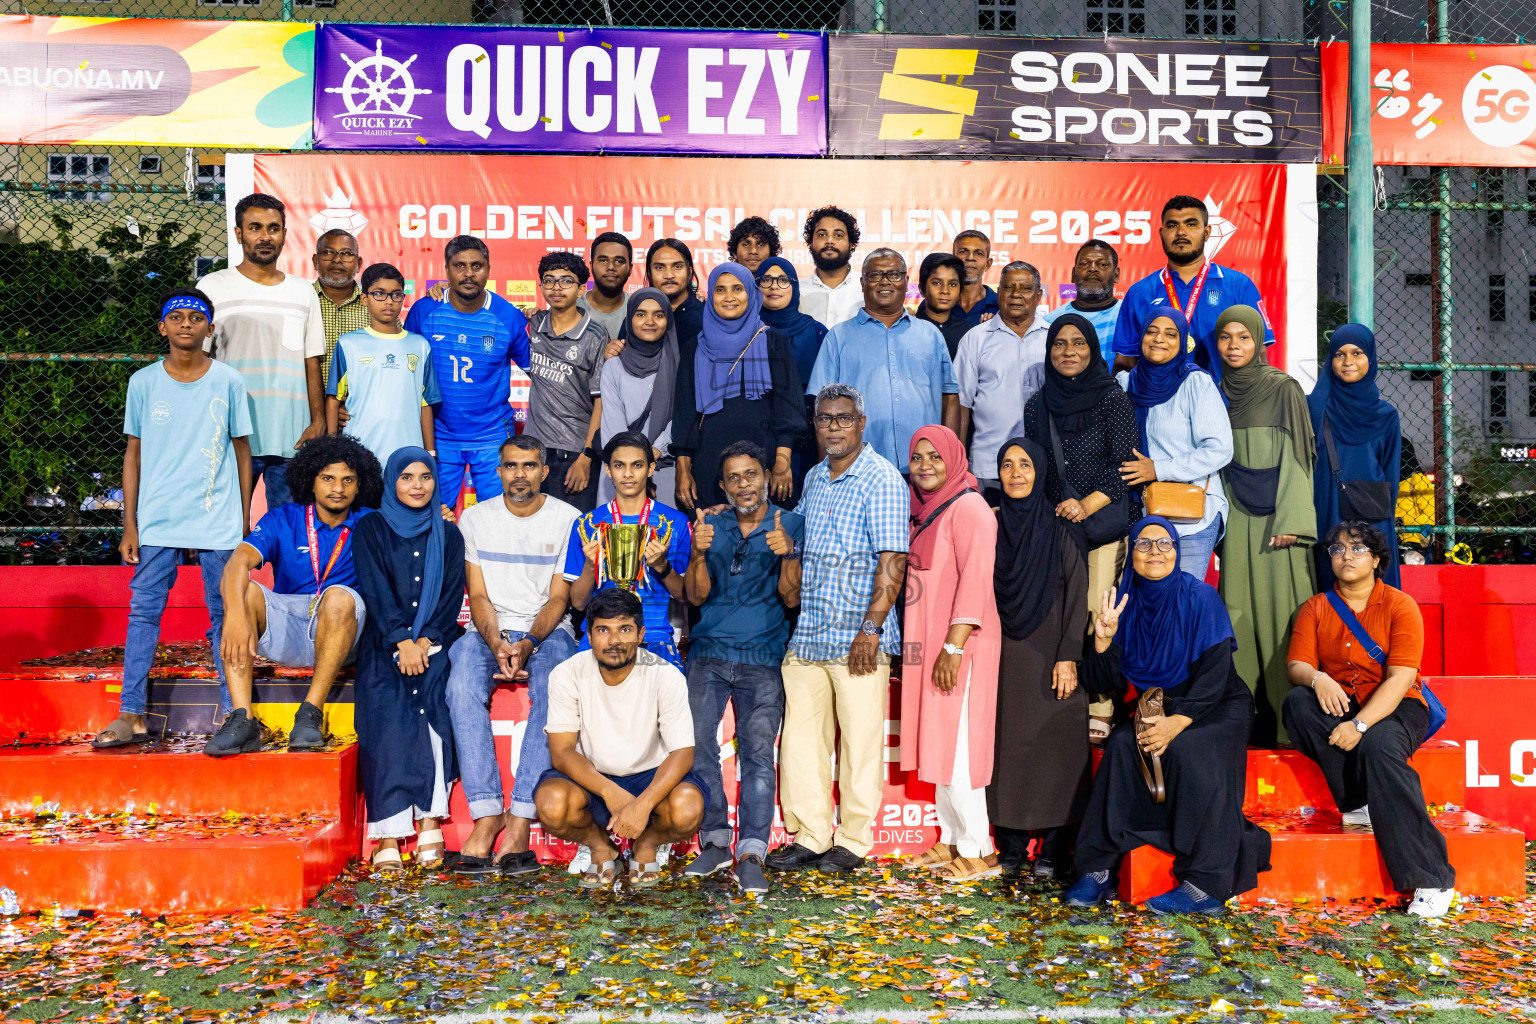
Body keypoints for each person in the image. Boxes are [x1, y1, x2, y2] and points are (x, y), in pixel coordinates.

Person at [1064, 516, 1271, 914]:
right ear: (1132, 554)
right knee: (1122, 746)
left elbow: (1216, 672)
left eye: (1164, 544)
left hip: (1217, 703)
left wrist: (1179, 722)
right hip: (1160, 706)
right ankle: (1099, 868)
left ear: (1177, 552)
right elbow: (1099, 681)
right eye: (1144, 544)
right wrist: (1103, 641)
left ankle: (1206, 884)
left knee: (1192, 750)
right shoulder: (1123, 603)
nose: (1154, 552)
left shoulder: (1200, 597)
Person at [93, 289, 254, 748]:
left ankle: (235, 713)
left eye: (196, 318)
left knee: (226, 613)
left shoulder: (228, 380)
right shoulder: (143, 382)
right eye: (177, 317)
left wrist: (243, 517)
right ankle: (131, 714)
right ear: (162, 327)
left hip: (217, 517)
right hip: (158, 518)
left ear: (209, 328)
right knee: (144, 612)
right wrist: (130, 524)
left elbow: (242, 450)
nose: (187, 324)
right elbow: (133, 454)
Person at [767, 384, 907, 875]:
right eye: (825, 418)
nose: (833, 427)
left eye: (843, 418)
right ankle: (811, 835)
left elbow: (893, 560)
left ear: (861, 423)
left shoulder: (882, 479)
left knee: (859, 743)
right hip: (809, 632)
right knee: (801, 742)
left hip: (857, 637)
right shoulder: (814, 476)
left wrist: (871, 630)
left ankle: (853, 840)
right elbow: (799, 543)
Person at [1284, 521, 1457, 919]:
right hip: (1342, 700)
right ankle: (1358, 801)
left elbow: (1401, 677)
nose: (1347, 556)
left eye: (1358, 549)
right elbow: (1296, 665)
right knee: (1298, 703)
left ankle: (1434, 877)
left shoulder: (1400, 604)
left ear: (1377, 560)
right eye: (1338, 550)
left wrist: (1359, 725)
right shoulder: (1316, 607)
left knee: (1379, 746)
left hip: (1397, 705)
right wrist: (1318, 678)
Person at [445, 435, 582, 876]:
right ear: (499, 471)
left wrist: (528, 643)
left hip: (549, 629)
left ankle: (521, 817)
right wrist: (496, 642)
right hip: (488, 629)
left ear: (544, 471)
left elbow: (560, 599)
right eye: (511, 466)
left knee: (555, 689)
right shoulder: (475, 519)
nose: (520, 474)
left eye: (529, 466)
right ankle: (487, 813)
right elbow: (478, 596)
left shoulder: (568, 519)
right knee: (460, 683)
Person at [205, 435, 379, 757]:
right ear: (310, 481)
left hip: (342, 631)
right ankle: (242, 719)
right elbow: (236, 564)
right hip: (290, 628)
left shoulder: (371, 522)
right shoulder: (284, 518)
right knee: (244, 592)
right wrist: (234, 616)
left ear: (359, 486)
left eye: (348, 480)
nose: (338, 488)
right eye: (327, 478)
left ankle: (310, 713)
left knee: (339, 597)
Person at [682, 441, 804, 894]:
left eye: (751, 474)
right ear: (722, 485)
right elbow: (695, 596)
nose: (743, 485)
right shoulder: (710, 525)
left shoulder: (792, 523)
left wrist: (788, 553)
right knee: (698, 746)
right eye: (733, 478)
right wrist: (698, 553)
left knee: (757, 753)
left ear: (767, 477)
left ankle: (752, 852)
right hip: (708, 653)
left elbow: (792, 598)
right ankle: (715, 842)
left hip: (764, 657)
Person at [534, 587, 706, 889]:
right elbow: (561, 752)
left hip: (651, 776)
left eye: (625, 629)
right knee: (551, 803)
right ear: (589, 635)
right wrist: (610, 792)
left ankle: (647, 844)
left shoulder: (666, 675)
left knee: (687, 808)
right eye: (603, 630)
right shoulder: (566, 674)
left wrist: (643, 804)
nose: (614, 641)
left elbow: (683, 753)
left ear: (640, 634)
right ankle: (601, 847)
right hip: (593, 777)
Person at [351, 448, 466, 873]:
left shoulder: (449, 534)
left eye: (425, 477)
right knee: (387, 716)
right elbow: (375, 589)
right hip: (384, 643)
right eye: (407, 477)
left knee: (434, 711)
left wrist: (427, 639)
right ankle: (388, 832)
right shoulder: (371, 528)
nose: (418, 485)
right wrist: (402, 640)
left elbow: (451, 596)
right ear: (391, 482)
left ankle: (431, 817)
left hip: (436, 641)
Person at [1025, 314, 1136, 745]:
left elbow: (1125, 464)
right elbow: (1037, 465)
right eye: (1059, 343)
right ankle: (1066, 701)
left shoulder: (1111, 398)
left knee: (1095, 613)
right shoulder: (1037, 405)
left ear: (1092, 349)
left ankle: (1101, 705)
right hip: (1057, 526)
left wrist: (1085, 505)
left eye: (1078, 343)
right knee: (1060, 612)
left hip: (1103, 526)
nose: (1068, 351)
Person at [900, 426, 1002, 883]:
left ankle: (980, 848)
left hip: (961, 645)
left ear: (954, 459)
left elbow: (976, 580)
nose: (925, 465)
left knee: (960, 747)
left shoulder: (970, 508)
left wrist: (953, 647)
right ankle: (952, 837)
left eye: (935, 456)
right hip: (932, 645)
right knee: (940, 743)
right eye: (917, 457)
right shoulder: (923, 511)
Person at [986, 438, 1091, 878]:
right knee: (1005, 745)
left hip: (1051, 652)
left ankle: (1053, 847)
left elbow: (1078, 594)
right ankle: (1010, 844)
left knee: (1057, 745)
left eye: (1025, 465)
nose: (1016, 474)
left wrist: (1068, 656)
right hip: (1003, 654)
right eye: (1007, 465)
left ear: (1041, 470)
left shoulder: (1061, 527)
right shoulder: (991, 525)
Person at [1216, 304, 1318, 746]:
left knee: (1283, 620)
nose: (1234, 345)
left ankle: (1289, 730)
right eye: (1225, 337)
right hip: (1238, 517)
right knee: (1238, 618)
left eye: (1244, 337)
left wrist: (1292, 518)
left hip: (1280, 523)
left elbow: (1300, 458)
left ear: (1259, 341)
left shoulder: (1283, 388)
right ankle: (1244, 725)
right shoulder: (1216, 390)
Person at [198, 193, 325, 508]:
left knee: (289, 529)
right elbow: (200, 362)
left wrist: (318, 419)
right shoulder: (211, 287)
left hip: (293, 437)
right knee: (227, 526)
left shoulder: (303, 292)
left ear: (284, 234)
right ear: (239, 233)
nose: (265, 236)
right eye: (255, 227)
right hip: (231, 434)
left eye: (273, 228)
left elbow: (311, 361)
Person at [403, 236, 531, 506]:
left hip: (492, 433)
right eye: (459, 266)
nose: (469, 273)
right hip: (438, 434)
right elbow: (404, 373)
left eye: (477, 266)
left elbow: (539, 373)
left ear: (489, 269)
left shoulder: (508, 317)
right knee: (434, 515)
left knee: (497, 514)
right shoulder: (424, 310)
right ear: (447, 269)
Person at [807, 249, 960, 473]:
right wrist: (828, 469)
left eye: (894, 274)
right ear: (862, 283)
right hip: (859, 469)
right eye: (875, 275)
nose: (885, 282)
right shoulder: (839, 337)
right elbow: (822, 408)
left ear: (906, 281)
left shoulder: (930, 335)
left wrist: (951, 459)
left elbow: (950, 398)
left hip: (925, 468)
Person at [673, 263, 806, 512]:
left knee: (767, 533)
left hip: (764, 465)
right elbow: (684, 415)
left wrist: (782, 462)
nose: (729, 297)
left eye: (737, 289)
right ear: (710, 296)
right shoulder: (695, 348)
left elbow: (788, 408)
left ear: (751, 293)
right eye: (720, 290)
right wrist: (682, 470)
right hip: (708, 468)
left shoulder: (772, 340)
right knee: (710, 535)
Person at [1117, 307, 1233, 581]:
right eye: (1151, 331)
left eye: (1170, 334)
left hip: (1188, 516)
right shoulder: (1126, 383)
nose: (1159, 339)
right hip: (1138, 514)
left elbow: (1220, 449)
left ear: (1182, 342)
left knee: (1182, 598)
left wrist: (1158, 469)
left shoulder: (1195, 383)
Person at [565, 432, 692, 669]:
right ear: (607, 469)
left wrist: (662, 567)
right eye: (619, 465)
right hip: (600, 635)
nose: (628, 474)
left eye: (637, 465)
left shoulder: (674, 523)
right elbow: (579, 603)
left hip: (654, 637)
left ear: (651, 468)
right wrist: (591, 566)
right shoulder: (587, 524)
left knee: (671, 691)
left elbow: (685, 597)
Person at [1113, 196, 1273, 380]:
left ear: (1207, 232)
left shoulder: (1239, 286)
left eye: (1190, 224)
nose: (1181, 232)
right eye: (1172, 225)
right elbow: (1125, 361)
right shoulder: (1139, 293)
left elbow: (1259, 355)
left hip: (1224, 397)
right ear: (1161, 233)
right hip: (1158, 397)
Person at [1309, 324, 1402, 590]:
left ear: (1370, 358)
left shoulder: (1385, 415)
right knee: (1327, 587)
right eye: (1339, 354)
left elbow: (1390, 474)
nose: (1348, 361)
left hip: (1371, 516)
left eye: (1357, 353)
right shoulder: (1314, 408)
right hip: (1326, 509)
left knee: (1372, 591)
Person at [326, 263, 439, 465]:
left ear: (403, 298)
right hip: (359, 454)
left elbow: (425, 403)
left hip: (408, 455)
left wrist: (430, 453)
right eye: (379, 294)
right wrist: (333, 449)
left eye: (396, 295)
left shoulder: (420, 345)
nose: (388, 301)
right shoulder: (348, 343)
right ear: (364, 299)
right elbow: (334, 399)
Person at [955, 261, 1048, 505]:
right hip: (988, 464)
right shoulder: (975, 339)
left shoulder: (1053, 339)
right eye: (1009, 287)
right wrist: (959, 461)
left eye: (1025, 288)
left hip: (1044, 464)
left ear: (1038, 295)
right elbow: (961, 404)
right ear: (999, 293)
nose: (1016, 294)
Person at [528, 251, 610, 513]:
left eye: (566, 281)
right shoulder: (533, 323)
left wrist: (586, 457)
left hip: (574, 454)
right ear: (541, 286)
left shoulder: (595, 335)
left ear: (581, 289)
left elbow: (601, 401)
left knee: (576, 529)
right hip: (533, 453)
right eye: (549, 280)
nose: (556, 287)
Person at [599, 288, 680, 505]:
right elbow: (612, 425)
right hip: (620, 472)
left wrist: (654, 453)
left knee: (663, 526)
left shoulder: (679, 365)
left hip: (664, 467)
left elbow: (681, 417)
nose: (649, 321)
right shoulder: (613, 366)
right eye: (641, 314)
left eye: (659, 315)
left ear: (668, 321)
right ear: (630, 319)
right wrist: (634, 465)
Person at [1041, 240, 1122, 364]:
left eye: (1102, 264)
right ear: (1073, 274)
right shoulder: (1050, 322)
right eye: (1084, 264)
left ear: (1116, 274)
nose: (1092, 269)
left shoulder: (1131, 317)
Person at [311, 229, 368, 391]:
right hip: (307, 404)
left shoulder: (375, 306)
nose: (337, 259)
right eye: (328, 252)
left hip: (361, 404)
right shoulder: (301, 302)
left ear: (359, 263)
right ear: (315, 260)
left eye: (346, 254)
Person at [799, 206, 864, 329]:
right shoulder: (797, 291)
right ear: (810, 243)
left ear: (851, 244)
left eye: (838, 235)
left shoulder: (866, 290)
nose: (829, 241)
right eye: (822, 235)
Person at [646, 238, 706, 353]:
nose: (669, 275)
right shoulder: (637, 316)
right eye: (659, 268)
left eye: (677, 266)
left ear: (689, 272)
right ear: (649, 273)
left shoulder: (707, 315)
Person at [578, 232, 633, 342]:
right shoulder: (571, 306)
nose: (611, 267)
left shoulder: (637, 310)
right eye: (603, 260)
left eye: (619, 261)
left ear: (630, 269)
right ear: (591, 265)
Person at [914, 253, 971, 359]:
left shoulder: (969, 332)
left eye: (952, 284)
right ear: (922, 289)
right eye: (936, 283)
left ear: (960, 291)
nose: (945, 291)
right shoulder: (909, 328)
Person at [951, 230, 998, 327]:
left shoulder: (1001, 306)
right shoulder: (936, 303)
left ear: (988, 264)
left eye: (979, 253)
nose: (970, 257)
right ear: (952, 260)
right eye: (963, 252)